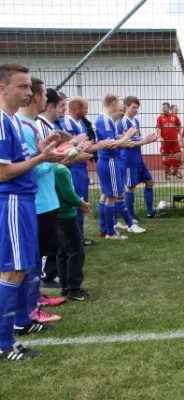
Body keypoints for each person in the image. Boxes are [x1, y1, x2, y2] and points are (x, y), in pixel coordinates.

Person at [0, 63, 65, 361]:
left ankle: (22, 322)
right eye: (23, 86)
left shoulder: (12, 121)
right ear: (3, 89)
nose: (30, 92)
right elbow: (2, 173)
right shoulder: (2, 121)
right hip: (12, 200)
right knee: (12, 269)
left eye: (29, 87)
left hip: (23, 201)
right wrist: (41, 158)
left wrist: (39, 150)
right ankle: (3, 343)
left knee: (22, 267)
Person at [96, 93, 144, 240]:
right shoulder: (104, 120)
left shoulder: (107, 120)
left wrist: (122, 139)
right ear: (112, 104)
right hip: (110, 161)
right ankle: (111, 232)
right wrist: (127, 137)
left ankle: (106, 227)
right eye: (119, 104)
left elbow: (112, 139)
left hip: (110, 160)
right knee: (113, 196)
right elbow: (110, 144)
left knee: (107, 195)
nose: (121, 107)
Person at [53, 131, 95, 301]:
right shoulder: (61, 171)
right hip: (66, 214)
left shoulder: (55, 168)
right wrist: (81, 203)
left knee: (62, 251)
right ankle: (74, 289)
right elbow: (69, 195)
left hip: (57, 214)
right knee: (76, 251)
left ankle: (65, 285)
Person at [36, 88, 63, 288]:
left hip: (48, 191)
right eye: (60, 106)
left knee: (51, 234)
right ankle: (45, 275)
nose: (62, 110)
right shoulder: (39, 126)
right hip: (40, 196)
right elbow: (41, 162)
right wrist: (67, 153)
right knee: (43, 239)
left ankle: (49, 274)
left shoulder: (46, 126)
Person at [60, 96, 95, 246]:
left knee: (82, 203)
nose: (87, 111)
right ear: (77, 109)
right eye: (85, 108)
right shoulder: (67, 122)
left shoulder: (79, 123)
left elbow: (81, 145)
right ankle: (75, 238)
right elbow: (67, 147)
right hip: (73, 167)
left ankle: (79, 236)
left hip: (81, 167)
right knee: (76, 202)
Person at [119, 96, 159, 221]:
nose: (136, 110)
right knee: (130, 187)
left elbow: (137, 140)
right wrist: (146, 141)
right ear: (126, 107)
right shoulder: (124, 122)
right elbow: (129, 143)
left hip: (138, 158)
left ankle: (150, 211)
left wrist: (148, 139)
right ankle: (131, 216)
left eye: (137, 107)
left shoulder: (135, 121)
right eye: (133, 107)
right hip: (129, 159)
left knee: (150, 181)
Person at [156, 102, 182, 179]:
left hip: (174, 141)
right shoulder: (160, 118)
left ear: (169, 108)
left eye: (165, 107)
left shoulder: (174, 116)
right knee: (165, 157)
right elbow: (158, 128)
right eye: (162, 107)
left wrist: (179, 136)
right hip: (165, 141)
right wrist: (159, 136)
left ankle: (175, 171)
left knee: (178, 155)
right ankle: (167, 173)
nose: (163, 109)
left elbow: (179, 126)